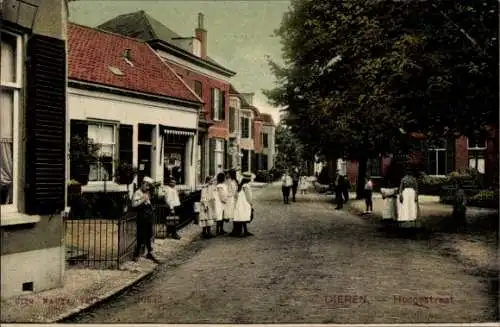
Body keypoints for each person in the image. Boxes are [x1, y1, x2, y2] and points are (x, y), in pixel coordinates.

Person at [131, 176, 159, 263]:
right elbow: (133, 205)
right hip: (142, 217)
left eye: (148, 186)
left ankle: (149, 253)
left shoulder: (147, 193)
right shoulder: (137, 193)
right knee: (141, 236)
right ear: (142, 184)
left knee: (148, 235)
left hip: (148, 217)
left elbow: (148, 203)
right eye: (146, 186)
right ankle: (136, 254)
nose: (147, 188)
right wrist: (143, 200)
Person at [233, 172, 254, 237]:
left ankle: (243, 230)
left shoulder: (241, 185)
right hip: (245, 202)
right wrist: (250, 203)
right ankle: (244, 231)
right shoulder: (247, 186)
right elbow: (249, 196)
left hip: (240, 203)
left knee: (241, 216)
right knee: (244, 216)